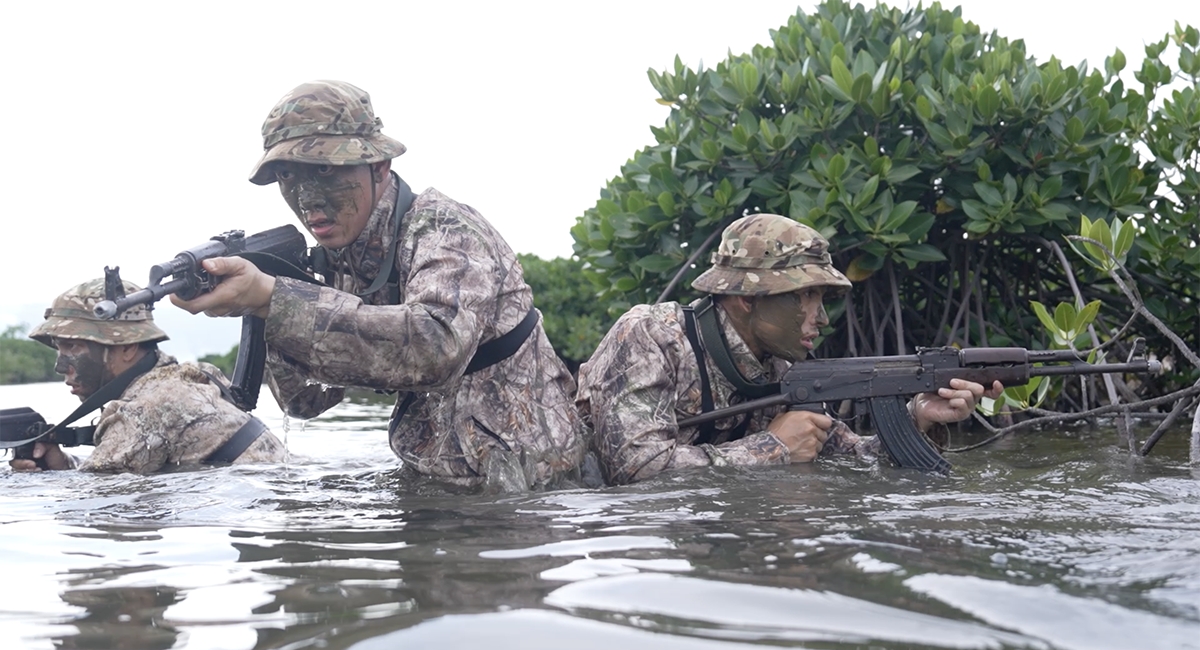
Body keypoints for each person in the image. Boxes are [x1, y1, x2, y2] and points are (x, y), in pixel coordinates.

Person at [171, 80, 585, 491]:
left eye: (325, 173)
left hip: (529, 483)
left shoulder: (444, 228)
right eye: (287, 176)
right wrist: (268, 306)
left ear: (379, 167)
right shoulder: (343, 258)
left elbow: (435, 348)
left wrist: (277, 299)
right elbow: (307, 402)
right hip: (436, 481)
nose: (308, 198)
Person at [576, 214, 1003, 485]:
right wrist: (773, 448)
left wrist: (919, 419)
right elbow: (633, 470)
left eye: (822, 299)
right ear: (748, 298)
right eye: (805, 297)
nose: (821, 318)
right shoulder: (650, 336)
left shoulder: (785, 366)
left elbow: (855, 458)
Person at [8, 278, 286, 474]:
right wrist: (64, 464)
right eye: (59, 348)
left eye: (73, 347)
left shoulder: (141, 412)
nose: (61, 365)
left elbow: (95, 499)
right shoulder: (193, 376)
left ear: (127, 348)